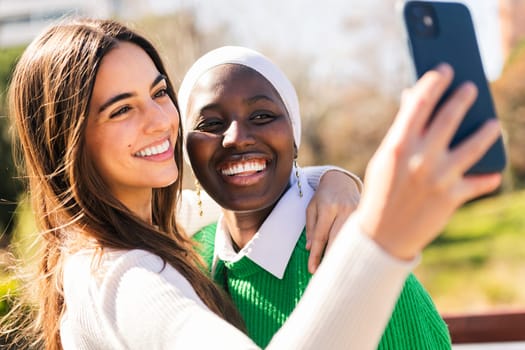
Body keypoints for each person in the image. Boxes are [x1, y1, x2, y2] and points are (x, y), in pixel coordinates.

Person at [3, 17, 502, 350]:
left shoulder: (184, 240)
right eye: (121, 110)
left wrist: (333, 180)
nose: (158, 120)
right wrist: (383, 235)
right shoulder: (122, 278)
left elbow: (239, 198)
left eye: (158, 93)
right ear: (66, 139)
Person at [177, 45, 449, 348]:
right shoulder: (190, 259)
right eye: (211, 124)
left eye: (262, 115)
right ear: (187, 152)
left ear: (294, 138)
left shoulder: (347, 255)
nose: (237, 137)